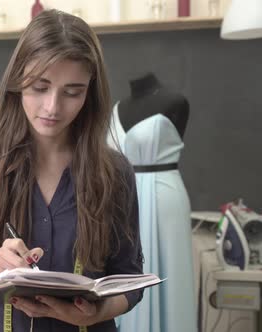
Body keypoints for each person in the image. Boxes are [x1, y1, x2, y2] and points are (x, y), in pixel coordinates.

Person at [0, 9, 144, 332]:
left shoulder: (115, 174)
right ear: (17, 82)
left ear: (89, 93)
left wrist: (95, 313)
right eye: (40, 87)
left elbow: (131, 280)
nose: (52, 107)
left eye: (72, 92)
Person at [109, 73, 196, 332]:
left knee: (170, 280)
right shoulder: (116, 109)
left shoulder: (175, 101)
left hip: (163, 197)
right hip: (124, 196)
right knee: (126, 268)